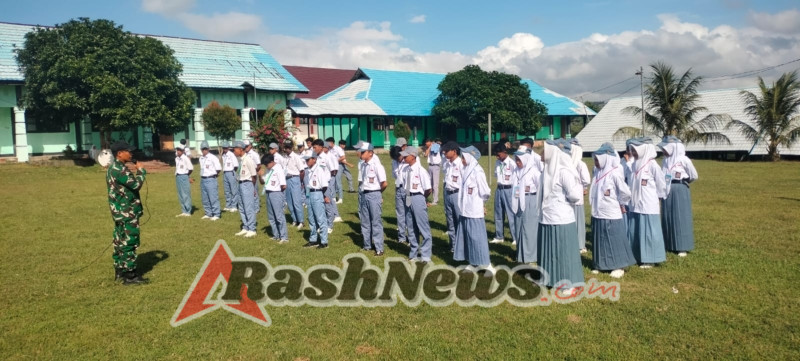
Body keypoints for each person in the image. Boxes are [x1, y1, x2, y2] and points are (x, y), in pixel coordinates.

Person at [538, 139, 584, 294]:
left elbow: (575, 195)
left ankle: (568, 283)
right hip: (547, 217)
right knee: (550, 250)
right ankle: (549, 278)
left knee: (563, 252)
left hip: (562, 218)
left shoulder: (564, 172)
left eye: (544, 151)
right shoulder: (546, 172)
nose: (541, 154)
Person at [589, 143, 636, 278]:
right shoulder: (597, 172)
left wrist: (621, 203)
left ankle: (618, 265)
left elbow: (626, 192)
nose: (596, 162)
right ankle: (601, 264)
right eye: (595, 160)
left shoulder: (614, 173)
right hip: (598, 212)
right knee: (601, 239)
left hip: (611, 212)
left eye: (598, 160)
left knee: (613, 239)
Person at [106, 140, 148, 285]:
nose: (130, 153)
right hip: (127, 212)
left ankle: (120, 269)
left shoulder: (114, 168)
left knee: (119, 240)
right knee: (130, 241)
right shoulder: (120, 170)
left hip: (119, 212)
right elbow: (135, 185)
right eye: (128, 151)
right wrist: (141, 171)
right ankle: (130, 275)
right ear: (119, 153)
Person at [453, 146, 496, 274]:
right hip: (465, 210)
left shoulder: (478, 171)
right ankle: (473, 262)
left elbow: (485, 191)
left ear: (469, 157)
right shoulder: (466, 170)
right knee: (468, 237)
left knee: (478, 238)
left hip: (474, 211)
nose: (461, 159)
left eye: (463, 157)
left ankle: (487, 264)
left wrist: (481, 204)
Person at [627, 137, 667, 268]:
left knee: (649, 231)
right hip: (635, 204)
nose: (633, 152)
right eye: (632, 150)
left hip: (648, 204)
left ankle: (650, 258)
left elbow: (661, 184)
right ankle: (637, 255)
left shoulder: (652, 165)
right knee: (635, 230)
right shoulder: (634, 164)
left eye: (635, 150)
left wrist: (659, 198)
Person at [658, 136, 698, 257]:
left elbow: (694, 175)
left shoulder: (684, 159)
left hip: (680, 188)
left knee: (681, 216)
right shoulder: (665, 160)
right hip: (667, 189)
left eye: (665, 148)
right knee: (668, 215)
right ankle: (669, 243)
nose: (663, 151)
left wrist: (683, 182)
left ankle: (682, 246)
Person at [512, 145, 543, 264]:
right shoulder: (516, 171)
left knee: (529, 229)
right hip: (518, 201)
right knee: (519, 227)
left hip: (530, 200)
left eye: (519, 159)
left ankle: (530, 256)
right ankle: (521, 255)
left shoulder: (534, 171)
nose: (517, 162)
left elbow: (540, 187)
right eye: (516, 159)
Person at [358, 142, 389, 255]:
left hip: (374, 194)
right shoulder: (363, 165)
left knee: (375, 222)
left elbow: (384, 183)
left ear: (370, 153)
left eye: (362, 152)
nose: (360, 154)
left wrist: (378, 193)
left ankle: (379, 248)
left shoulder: (377, 165)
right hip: (364, 194)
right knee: (365, 221)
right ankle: (367, 245)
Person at [302, 152, 331, 249]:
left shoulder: (319, 170)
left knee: (320, 218)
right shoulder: (308, 171)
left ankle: (324, 241)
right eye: (305, 160)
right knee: (311, 218)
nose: (306, 161)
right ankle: (313, 239)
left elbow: (324, 185)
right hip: (310, 194)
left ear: (314, 159)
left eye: (308, 159)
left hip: (318, 193)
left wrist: (325, 196)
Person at [490, 143, 517, 245]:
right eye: (495, 155)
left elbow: (516, 180)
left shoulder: (512, 164)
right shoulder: (497, 162)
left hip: (509, 189)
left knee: (511, 214)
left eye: (498, 154)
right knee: (498, 213)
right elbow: (497, 175)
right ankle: (499, 236)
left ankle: (515, 237)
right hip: (499, 189)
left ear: (505, 152)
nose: (497, 157)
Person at [259, 153, 289, 243]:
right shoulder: (269, 169)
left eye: (267, 164)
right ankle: (276, 235)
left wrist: (279, 194)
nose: (266, 166)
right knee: (271, 216)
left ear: (272, 162)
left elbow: (283, 185)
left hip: (276, 193)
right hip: (268, 193)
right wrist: (260, 175)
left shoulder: (278, 169)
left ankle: (284, 237)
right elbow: (262, 182)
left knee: (279, 216)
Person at [569, 138, 591, 254]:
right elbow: (586, 180)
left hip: (574, 195)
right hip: (576, 194)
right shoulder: (580, 164)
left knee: (576, 220)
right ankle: (579, 244)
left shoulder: (578, 164)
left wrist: (584, 187)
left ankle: (580, 244)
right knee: (577, 221)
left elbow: (586, 180)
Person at [441, 141, 463, 252]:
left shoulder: (461, 164)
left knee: (459, 220)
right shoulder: (448, 164)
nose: (444, 153)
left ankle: (461, 245)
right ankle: (453, 245)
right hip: (448, 193)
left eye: (447, 151)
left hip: (457, 194)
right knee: (450, 220)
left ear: (454, 151)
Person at [233, 141, 258, 238]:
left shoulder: (248, 159)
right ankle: (245, 226)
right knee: (242, 207)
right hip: (240, 183)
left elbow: (253, 176)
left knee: (248, 207)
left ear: (240, 149)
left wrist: (252, 188)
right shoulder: (241, 160)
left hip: (247, 184)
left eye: (235, 149)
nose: (234, 151)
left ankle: (252, 228)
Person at [283, 142, 307, 229]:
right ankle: (294, 219)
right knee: (289, 201)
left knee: (296, 201)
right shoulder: (284, 157)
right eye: (286, 148)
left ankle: (301, 221)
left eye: (288, 148)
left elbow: (302, 171)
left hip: (295, 178)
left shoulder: (296, 157)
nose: (286, 149)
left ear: (291, 148)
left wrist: (299, 182)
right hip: (287, 179)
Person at [390, 145, 411, 244]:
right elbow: (394, 175)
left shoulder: (408, 161)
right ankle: (401, 237)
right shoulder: (394, 162)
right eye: (394, 158)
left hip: (408, 190)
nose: (397, 160)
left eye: (398, 158)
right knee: (400, 213)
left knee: (409, 213)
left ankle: (411, 237)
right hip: (398, 189)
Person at [198, 141, 221, 220]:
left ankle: (216, 214)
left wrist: (213, 175)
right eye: (203, 149)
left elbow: (218, 169)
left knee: (213, 197)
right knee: (205, 197)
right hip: (203, 178)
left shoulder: (213, 157)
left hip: (211, 178)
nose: (204, 150)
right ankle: (208, 213)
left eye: (205, 149)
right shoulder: (201, 158)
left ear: (208, 149)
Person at [174, 143, 193, 217]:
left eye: (180, 150)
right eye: (177, 150)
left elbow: (191, 168)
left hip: (184, 176)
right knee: (180, 194)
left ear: (183, 151)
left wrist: (187, 175)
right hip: (178, 176)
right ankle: (183, 210)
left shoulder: (185, 158)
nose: (178, 151)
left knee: (185, 193)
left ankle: (188, 211)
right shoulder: (176, 158)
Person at [221, 141, 240, 213]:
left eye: (226, 148)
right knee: (227, 190)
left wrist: (233, 172)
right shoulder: (223, 155)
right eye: (223, 148)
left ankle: (234, 205)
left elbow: (236, 165)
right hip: (225, 172)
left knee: (233, 189)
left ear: (228, 148)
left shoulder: (231, 155)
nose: (224, 149)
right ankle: (228, 205)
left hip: (231, 172)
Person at [244, 140, 261, 214]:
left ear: (250, 146)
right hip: (246, 175)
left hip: (253, 175)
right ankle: (250, 206)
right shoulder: (244, 154)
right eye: (245, 146)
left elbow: (259, 165)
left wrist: (253, 172)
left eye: (247, 146)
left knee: (254, 191)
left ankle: (256, 208)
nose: (246, 148)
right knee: (248, 191)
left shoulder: (254, 154)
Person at [326, 137, 345, 203]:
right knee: (332, 182)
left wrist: (336, 161)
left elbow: (343, 157)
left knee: (338, 181)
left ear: (332, 142)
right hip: (331, 167)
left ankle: (340, 198)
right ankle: (333, 197)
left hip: (338, 166)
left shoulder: (338, 148)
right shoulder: (328, 149)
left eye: (328, 143)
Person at [424, 138, 442, 206]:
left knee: (435, 185)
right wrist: (430, 146)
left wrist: (433, 145)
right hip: (430, 166)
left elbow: (435, 151)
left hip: (436, 166)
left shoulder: (436, 146)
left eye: (426, 142)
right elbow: (425, 155)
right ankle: (426, 197)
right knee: (429, 184)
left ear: (430, 142)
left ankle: (435, 200)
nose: (426, 144)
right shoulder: (429, 147)